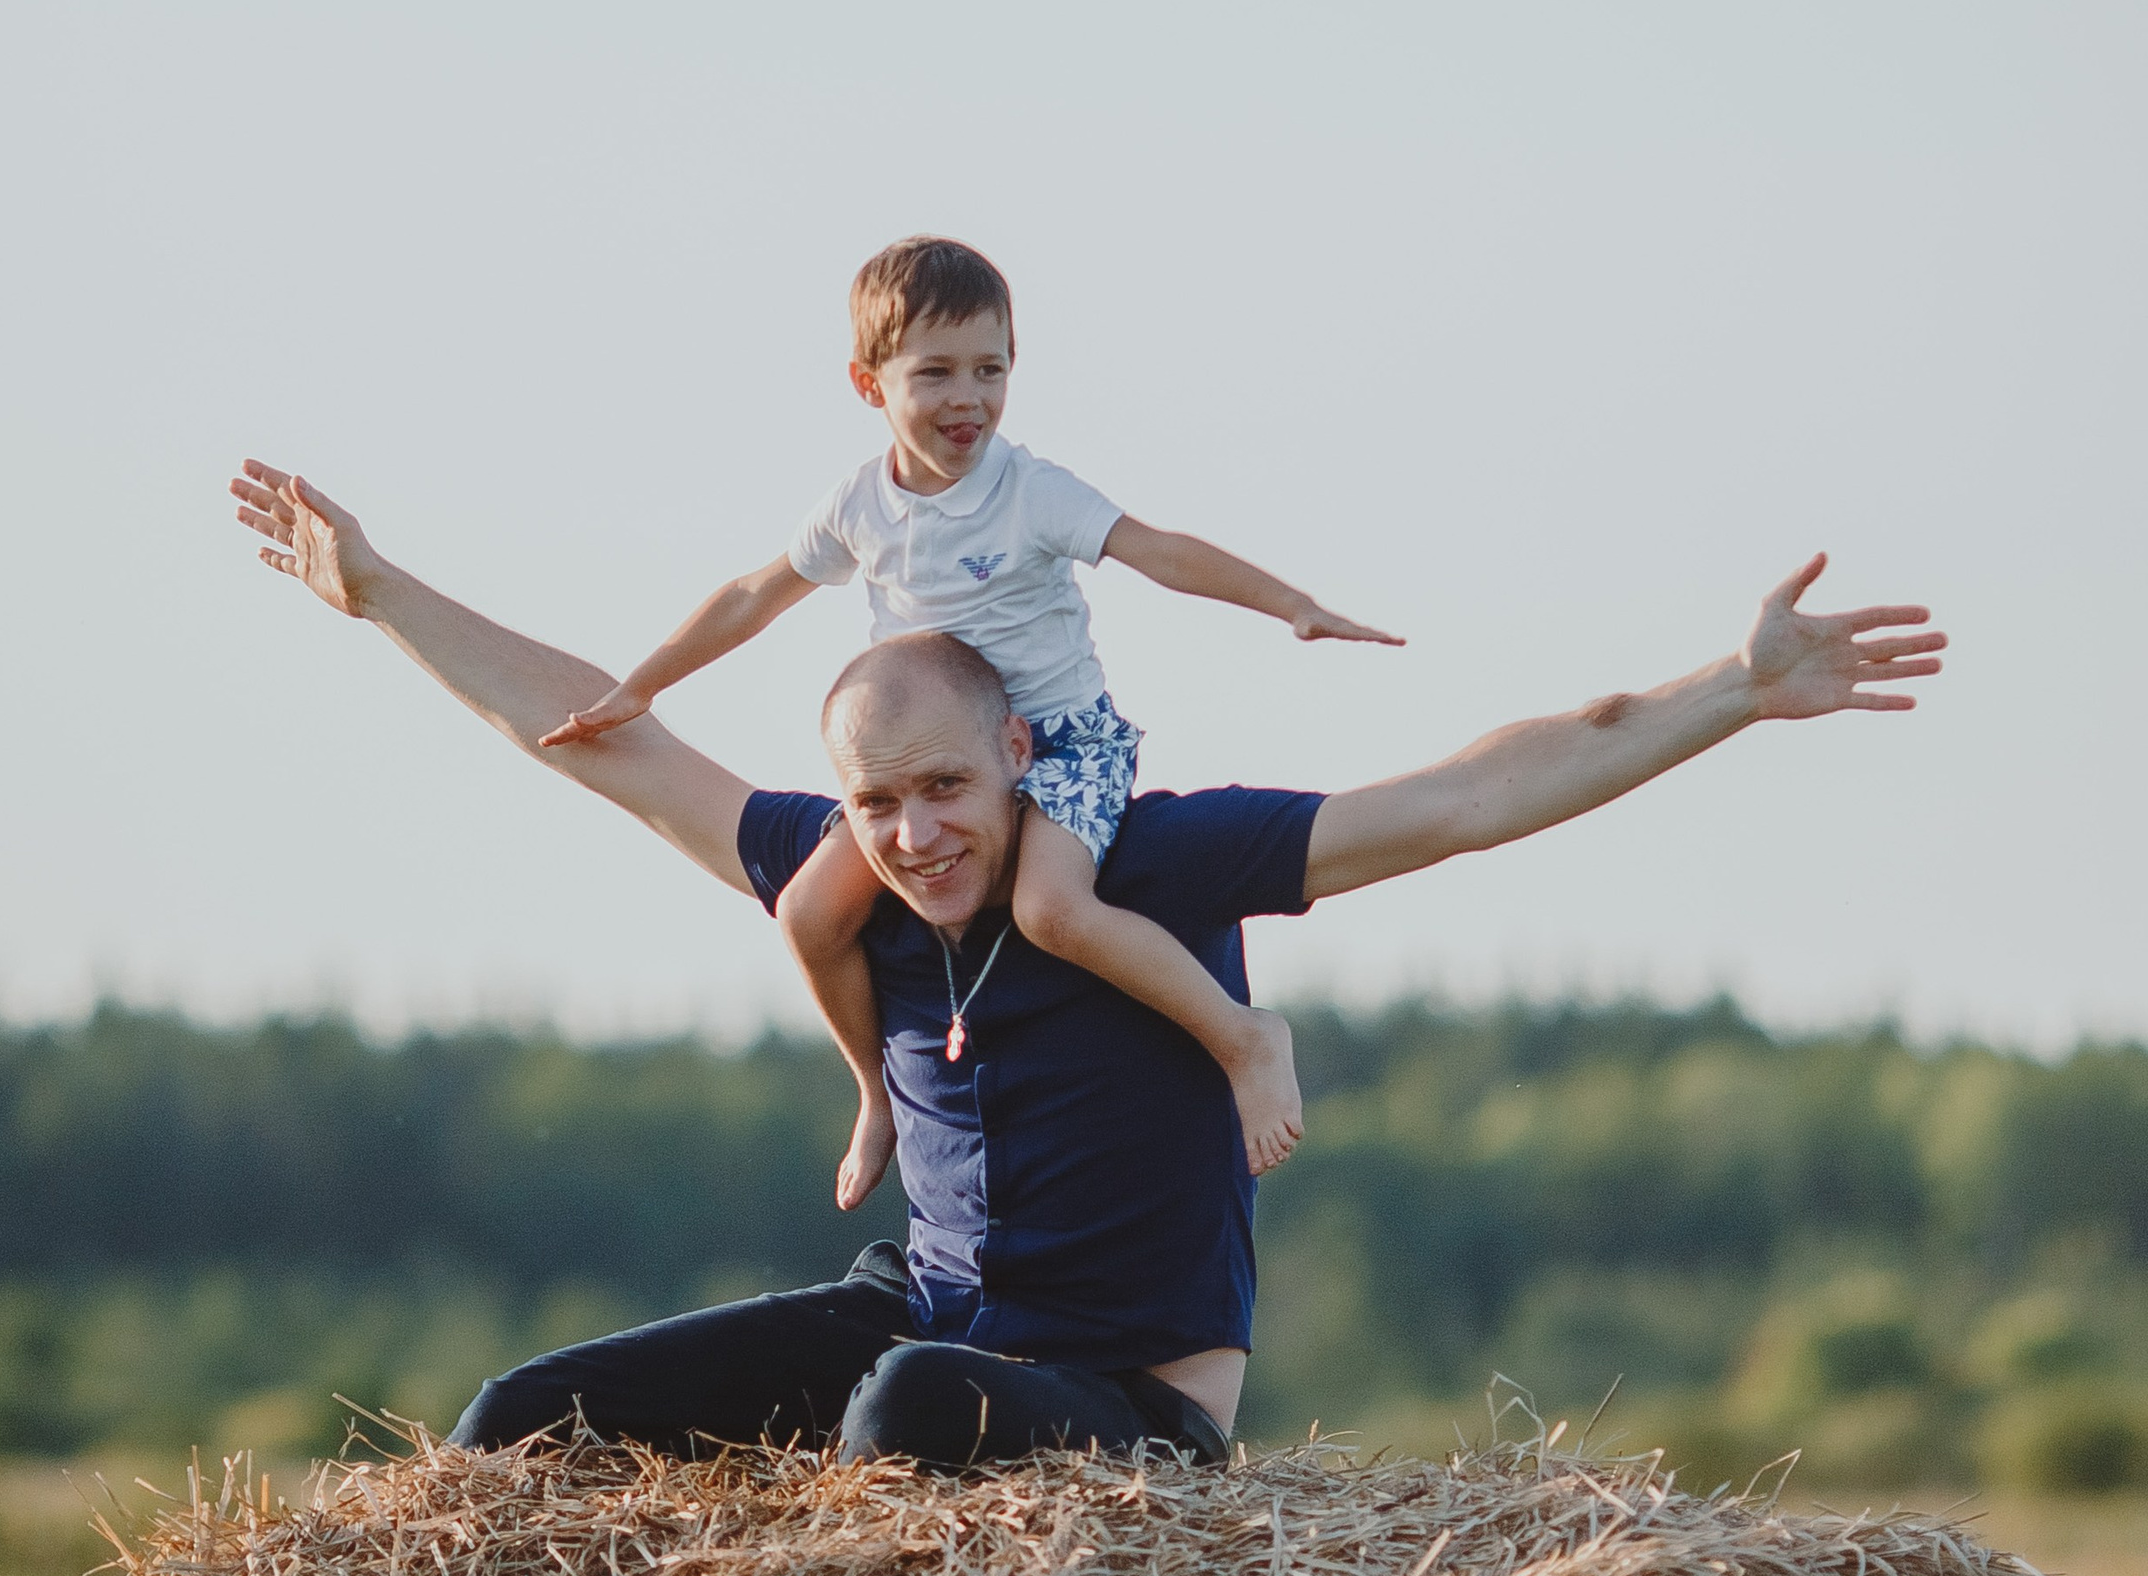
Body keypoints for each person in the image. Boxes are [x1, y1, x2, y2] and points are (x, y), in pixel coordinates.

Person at [227, 457, 1944, 1473]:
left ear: (1026, 762)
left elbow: (1471, 799)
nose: (911, 836)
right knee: (525, 1420)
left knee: (902, 1417)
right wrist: (378, 592)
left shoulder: (1156, 858)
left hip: (1128, 1398)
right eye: (875, 804)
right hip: (934, 1317)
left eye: (945, 791)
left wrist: (1729, 690)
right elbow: (599, 735)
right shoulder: (862, 887)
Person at [535, 235, 1401, 1207]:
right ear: (869, 384)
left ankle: (1245, 1036)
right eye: (937, 372)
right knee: (811, 911)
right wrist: (640, 687)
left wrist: (1289, 602)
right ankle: (874, 1091)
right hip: (940, 761)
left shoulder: (1029, 491)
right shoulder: (859, 505)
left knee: (1049, 910)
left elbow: (1156, 550)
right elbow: (749, 596)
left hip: (1063, 743)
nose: (969, 399)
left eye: (991, 371)